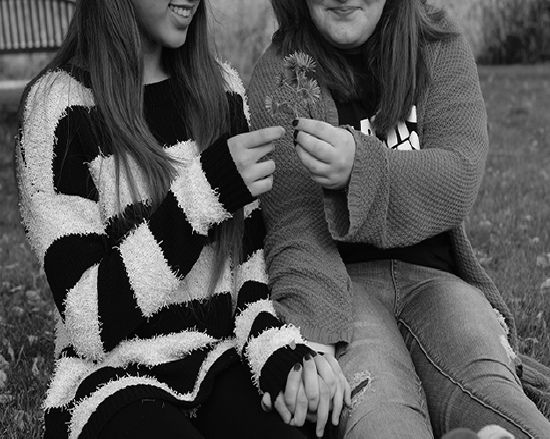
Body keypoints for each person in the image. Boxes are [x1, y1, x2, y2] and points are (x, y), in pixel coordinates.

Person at [15, 0, 349, 438]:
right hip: (114, 382)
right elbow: (88, 321)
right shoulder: (58, 108)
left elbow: (246, 274)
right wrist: (203, 194)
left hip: (218, 360)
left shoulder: (224, 91)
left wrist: (275, 352)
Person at [248, 0, 550, 437]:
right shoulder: (285, 72)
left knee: (489, 392)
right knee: (380, 410)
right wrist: (311, 335)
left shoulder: (437, 45)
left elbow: (458, 175)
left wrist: (359, 168)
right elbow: (294, 222)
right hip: (344, 293)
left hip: (437, 279)